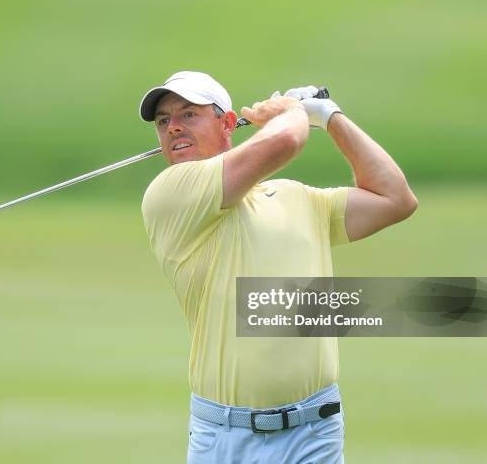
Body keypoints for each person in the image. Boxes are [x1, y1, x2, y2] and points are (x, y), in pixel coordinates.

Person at [139, 71, 418, 463]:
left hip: (314, 431)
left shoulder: (295, 197)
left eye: (188, 114)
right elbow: (287, 139)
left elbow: (396, 199)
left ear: (226, 123)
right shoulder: (170, 195)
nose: (173, 128)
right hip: (225, 438)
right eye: (163, 121)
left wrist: (330, 116)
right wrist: (291, 111)